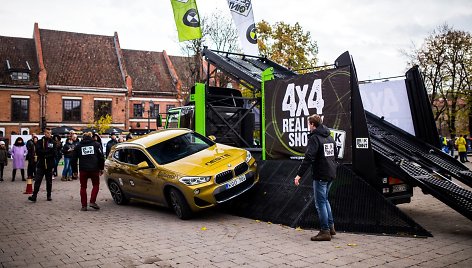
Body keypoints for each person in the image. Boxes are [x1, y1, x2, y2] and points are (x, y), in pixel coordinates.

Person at [294, 114, 338, 241]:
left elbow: (309, 158)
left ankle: (325, 232)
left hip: (321, 175)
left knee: (320, 203)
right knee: (325, 200)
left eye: (309, 124)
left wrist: (299, 175)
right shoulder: (329, 137)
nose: (308, 126)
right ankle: (331, 227)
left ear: (313, 124)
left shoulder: (315, 138)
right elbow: (335, 156)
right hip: (331, 173)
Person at [71, 132, 105, 211]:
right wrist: (101, 168)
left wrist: (75, 171)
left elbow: (73, 159)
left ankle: (84, 206)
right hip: (94, 169)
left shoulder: (78, 146)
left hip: (83, 169)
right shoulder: (96, 145)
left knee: (83, 187)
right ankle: (92, 201)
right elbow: (101, 157)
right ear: (91, 137)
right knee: (96, 185)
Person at [28, 128, 57, 202]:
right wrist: (46, 152)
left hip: (49, 164)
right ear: (44, 133)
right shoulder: (40, 142)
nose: (49, 134)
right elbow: (38, 151)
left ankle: (49, 195)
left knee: (49, 181)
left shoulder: (53, 142)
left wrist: (45, 154)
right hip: (41, 164)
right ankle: (34, 196)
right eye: (47, 133)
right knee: (38, 180)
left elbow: (54, 152)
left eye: (50, 133)